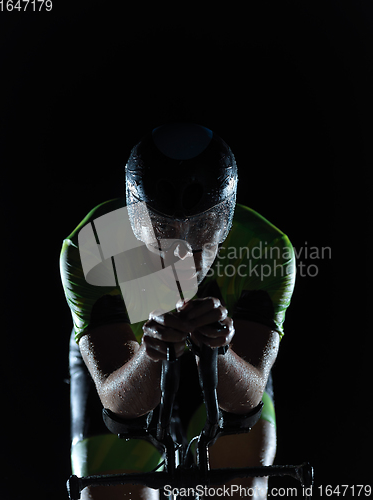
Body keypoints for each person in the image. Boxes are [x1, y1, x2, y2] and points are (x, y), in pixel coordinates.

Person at [60, 123, 296, 500]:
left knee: (240, 492)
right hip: (125, 367)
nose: (183, 256)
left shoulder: (266, 250)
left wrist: (218, 349)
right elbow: (120, 405)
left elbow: (243, 401)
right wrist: (152, 354)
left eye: (202, 236)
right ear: (136, 223)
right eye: (164, 237)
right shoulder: (92, 246)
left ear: (224, 223)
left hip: (226, 365)